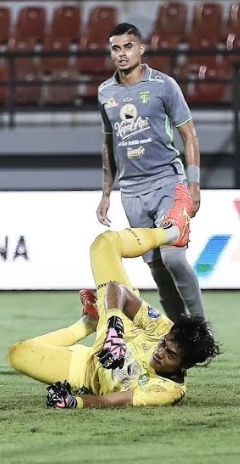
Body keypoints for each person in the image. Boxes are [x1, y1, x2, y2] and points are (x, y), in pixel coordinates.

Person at [7, 200, 220, 409]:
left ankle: (88, 322)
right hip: (118, 328)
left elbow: (116, 400)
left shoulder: (166, 391)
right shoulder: (163, 328)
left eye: (171, 355)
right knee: (104, 244)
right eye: (164, 344)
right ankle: (172, 233)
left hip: (89, 372)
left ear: (185, 366)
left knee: (18, 354)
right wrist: (114, 331)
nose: (160, 352)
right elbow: (117, 290)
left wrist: (76, 402)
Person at [96, 22, 204, 323]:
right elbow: (109, 143)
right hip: (131, 192)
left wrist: (194, 184)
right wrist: (106, 194)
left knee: (173, 257)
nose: (121, 54)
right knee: (157, 268)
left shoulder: (163, 85)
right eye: (116, 48)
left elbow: (190, 135)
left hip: (168, 183)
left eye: (128, 47)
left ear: (141, 49)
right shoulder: (106, 92)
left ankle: (200, 328)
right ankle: (182, 333)